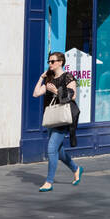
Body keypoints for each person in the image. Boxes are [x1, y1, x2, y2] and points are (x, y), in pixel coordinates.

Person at [33, 52, 82, 191]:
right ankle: (76, 168)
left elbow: (73, 96)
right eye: (48, 62)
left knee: (51, 148)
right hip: (52, 117)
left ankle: (49, 182)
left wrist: (55, 91)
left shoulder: (68, 77)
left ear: (60, 62)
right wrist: (41, 78)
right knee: (58, 151)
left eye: (52, 61)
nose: (50, 64)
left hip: (64, 117)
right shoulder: (49, 80)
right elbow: (36, 93)